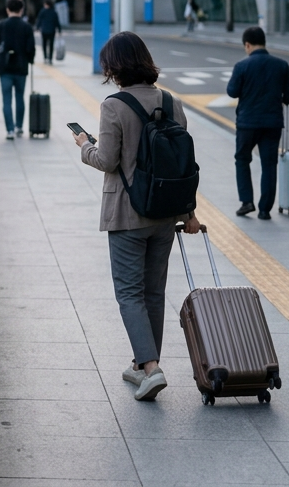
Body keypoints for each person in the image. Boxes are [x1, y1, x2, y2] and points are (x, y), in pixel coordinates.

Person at [74, 31, 201, 401]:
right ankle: (142, 365)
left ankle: (150, 368)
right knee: (154, 293)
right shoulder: (171, 101)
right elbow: (181, 163)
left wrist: (85, 146)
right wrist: (189, 212)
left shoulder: (114, 106)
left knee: (129, 293)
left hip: (128, 215)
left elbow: (107, 160)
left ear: (114, 67)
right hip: (165, 212)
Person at [226, 26, 289, 219]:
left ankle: (247, 202)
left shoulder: (242, 66)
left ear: (247, 45)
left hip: (247, 123)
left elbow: (232, 91)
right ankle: (265, 209)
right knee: (269, 164)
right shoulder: (281, 65)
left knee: (242, 160)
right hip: (273, 123)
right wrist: (281, 101)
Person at [0, 0, 36, 139]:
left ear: (7, 10)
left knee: (6, 99)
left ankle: (9, 130)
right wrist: (30, 60)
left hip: (5, 68)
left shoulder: (1, 25)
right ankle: (19, 126)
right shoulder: (26, 27)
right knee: (20, 97)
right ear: (21, 10)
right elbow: (31, 48)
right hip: (21, 67)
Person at [35, 0, 61, 65]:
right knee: (51, 45)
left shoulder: (42, 11)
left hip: (44, 30)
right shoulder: (54, 12)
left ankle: (45, 57)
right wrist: (59, 29)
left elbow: (39, 20)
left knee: (44, 44)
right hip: (52, 30)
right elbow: (57, 22)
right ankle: (50, 58)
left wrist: (37, 27)